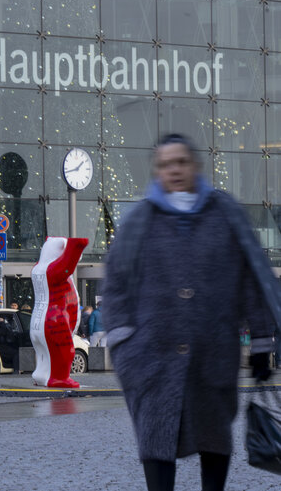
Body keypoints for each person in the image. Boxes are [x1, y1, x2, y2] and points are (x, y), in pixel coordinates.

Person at [102, 133, 279, 491]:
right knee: (156, 444)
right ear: (157, 170)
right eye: (166, 164)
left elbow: (248, 279)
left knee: (214, 441)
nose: (175, 170)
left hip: (213, 357)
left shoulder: (224, 214)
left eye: (181, 162)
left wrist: (261, 342)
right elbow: (116, 285)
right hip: (152, 361)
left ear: (195, 165)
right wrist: (124, 343)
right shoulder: (139, 221)